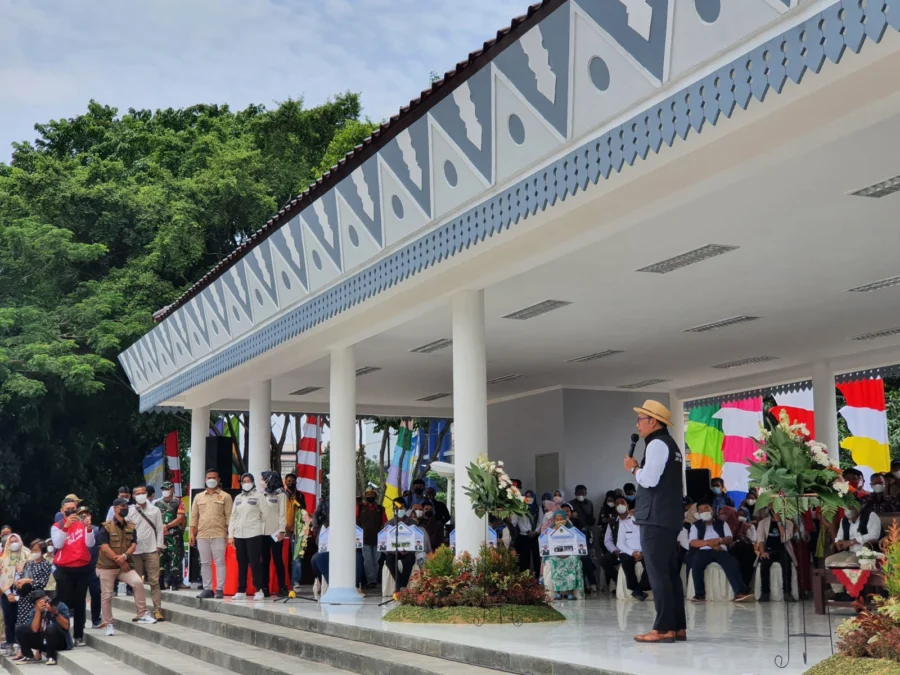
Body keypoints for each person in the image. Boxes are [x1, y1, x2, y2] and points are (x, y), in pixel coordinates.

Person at [624, 400, 687, 644]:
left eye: (641, 419)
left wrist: (633, 469)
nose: (638, 424)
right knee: (670, 574)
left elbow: (649, 480)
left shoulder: (657, 444)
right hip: (668, 517)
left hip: (655, 517)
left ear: (652, 421)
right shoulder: (671, 445)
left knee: (658, 573)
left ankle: (662, 629)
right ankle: (676, 627)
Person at [97, 498, 155, 636]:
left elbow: (134, 544)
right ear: (115, 508)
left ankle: (142, 613)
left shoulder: (131, 526)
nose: (125, 508)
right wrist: (120, 560)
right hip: (107, 566)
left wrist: (124, 556)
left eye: (126, 506)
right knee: (107, 595)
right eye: (122, 506)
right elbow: (104, 547)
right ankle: (109, 623)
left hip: (124, 565)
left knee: (138, 582)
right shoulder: (106, 526)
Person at [50, 498, 95, 646]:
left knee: (80, 603)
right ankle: (62, 635)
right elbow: (57, 544)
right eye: (68, 509)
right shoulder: (57, 525)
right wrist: (66, 527)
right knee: (64, 604)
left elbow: (90, 543)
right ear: (62, 510)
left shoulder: (82, 523)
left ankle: (79, 635)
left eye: (74, 509)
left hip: (82, 568)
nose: (71, 511)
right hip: (65, 569)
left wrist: (88, 529)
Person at [688, 503, 754, 603]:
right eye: (700, 510)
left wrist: (719, 540)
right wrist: (709, 543)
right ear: (698, 513)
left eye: (706, 508)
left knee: (731, 563)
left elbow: (729, 539)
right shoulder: (695, 525)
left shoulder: (722, 523)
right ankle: (699, 594)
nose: (704, 511)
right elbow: (692, 542)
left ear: (712, 510)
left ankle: (740, 592)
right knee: (696, 563)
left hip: (720, 549)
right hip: (703, 550)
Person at [190, 469, 233, 600]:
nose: (211, 479)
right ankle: (207, 588)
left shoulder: (225, 496)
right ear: (205, 479)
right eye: (209, 477)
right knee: (205, 563)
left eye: (214, 477)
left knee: (220, 562)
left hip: (219, 534)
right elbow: (194, 517)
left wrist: (230, 535)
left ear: (218, 479)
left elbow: (229, 518)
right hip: (202, 534)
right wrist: (192, 533)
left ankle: (219, 589)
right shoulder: (198, 497)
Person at [826, 503, 882, 597]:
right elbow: (839, 536)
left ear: (858, 507)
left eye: (851, 507)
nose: (848, 509)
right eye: (846, 507)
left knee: (850, 562)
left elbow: (874, 535)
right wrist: (838, 542)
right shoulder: (844, 520)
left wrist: (852, 541)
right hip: (850, 552)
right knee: (829, 561)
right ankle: (839, 593)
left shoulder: (871, 516)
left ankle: (851, 593)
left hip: (868, 552)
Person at [126, 485, 165, 621]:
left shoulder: (155, 510)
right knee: (137, 583)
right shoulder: (130, 511)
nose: (141, 495)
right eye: (138, 493)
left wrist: (159, 546)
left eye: (143, 492)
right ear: (133, 496)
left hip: (152, 549)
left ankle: (157, 610)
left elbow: (160, 529)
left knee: (154, 581)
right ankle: (140, 611)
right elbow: (126, 530)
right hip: (135, 551)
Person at [602, 497, 650, 600]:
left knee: (651, 561)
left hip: (643, 551)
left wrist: (641, 553)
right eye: (617, 503)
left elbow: (648, 539)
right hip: (623, 551)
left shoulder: (643, 522)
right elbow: (609, 540)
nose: (620, 505)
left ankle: (639, 589)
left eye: (622, 503)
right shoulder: (614, 522)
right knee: (620, 561)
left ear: (627, 505)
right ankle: (619, 582)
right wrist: (618, 551)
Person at [229, 473, 267, 601]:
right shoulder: (238, 498)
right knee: (242, 562)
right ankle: (241, 590)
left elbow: (264, 515)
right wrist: (231, 535)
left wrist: (259, 530)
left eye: (248, 480)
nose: (246, 483)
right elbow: (233, 517)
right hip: (239, 534)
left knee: (255, 562)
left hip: (254, 534)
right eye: (244, 481)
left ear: (253, 482)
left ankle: (259, 590)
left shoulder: (259, 496)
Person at [15, 591, 71, 666]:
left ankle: (51, 656)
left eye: (44, 600)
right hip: (44, 641)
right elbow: (34, 630)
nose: (43, 603)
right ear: (35, 605)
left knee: (50, 628)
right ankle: (28, 655)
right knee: (20, 629)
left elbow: (66, 626)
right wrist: (38, 611)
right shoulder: (34, 611)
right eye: (39, 602)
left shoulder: (59, 606)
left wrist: (55, 613)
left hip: (60, 641)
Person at [754, 507, 797, 601]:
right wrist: (762, 552)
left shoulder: (788, 523)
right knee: (764, 563)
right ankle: (765, 593)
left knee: (786, 562)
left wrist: (779, 522)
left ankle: (787, 592)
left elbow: (785, 537)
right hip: (768, 550)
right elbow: (760, 540)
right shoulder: (763, 523)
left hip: (783, 550)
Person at [259, 471, 288, 597]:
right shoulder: (261, 494)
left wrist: (282, 530)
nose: (262, 481)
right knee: (264, 560)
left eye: (263, 479)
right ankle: (264, 587)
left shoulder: (281, 494)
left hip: (275, 532)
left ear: (270, 479)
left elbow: (282, 514)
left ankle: (282, 586)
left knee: (277, 559)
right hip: (262, 532)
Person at [543, 510, 584, 600]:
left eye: (561, 519)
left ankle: (570, 592)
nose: (559, 521)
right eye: (557, 519)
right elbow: (545, 546)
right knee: (553, 561)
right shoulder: (549, 531)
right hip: (555, 555)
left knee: (573, 560)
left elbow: (576, 545)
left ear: (565, 519)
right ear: (554, 520)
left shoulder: (572, 530)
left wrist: (567, 554)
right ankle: (557, 592)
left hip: (569, 555)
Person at [157, 481, 187, 591]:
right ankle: (163, 582)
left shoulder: (178, 502)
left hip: (174, 535)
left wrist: (168, 526)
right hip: (161, 535)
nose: (165, 491)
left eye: (167, 489)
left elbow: (181, 518)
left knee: (175, 558)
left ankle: (176, 583)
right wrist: (161, 528)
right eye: (163, 489)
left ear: (172, 489)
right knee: (162, 559)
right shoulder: (158, 504)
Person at [76, 506, 102, 629]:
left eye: (86, 515)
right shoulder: (75, 531)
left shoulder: (97, 530)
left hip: (93, 566)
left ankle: (96, 619)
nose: (84, 517)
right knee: (80, 595)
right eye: (81, 515)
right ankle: (81, 621)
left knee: (96, 592)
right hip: (79, 566)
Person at [384, 498, 416, 592]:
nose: (400, 510)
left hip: (408, 552)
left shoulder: (412, 523)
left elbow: (417, 540)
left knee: (410, 560)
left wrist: (408, 550)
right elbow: (384, 543)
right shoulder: (389, 524)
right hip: (394, 553)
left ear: (405, 508)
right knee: (389, 560)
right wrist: (394, 551)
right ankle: (401, 587)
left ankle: (400, 587)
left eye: (401, 507)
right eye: (397, 507)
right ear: (393, 509)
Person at [0, 534, 26, 650]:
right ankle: (10, 642)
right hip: (7, 593)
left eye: (16, 541)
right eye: (11, 542)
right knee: (9, 619)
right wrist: (8, 593)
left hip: (23, 592)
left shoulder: (27, 556)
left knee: (21, 618)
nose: (14, 543)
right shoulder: (3, 559)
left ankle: (22, 642)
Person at [357, 488, 386, 587]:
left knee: (376, 561)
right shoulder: (360, 508)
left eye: (372, 494)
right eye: (368, 494)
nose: (370, 496)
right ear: (365, 496)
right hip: (364, 538)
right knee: (367, 560)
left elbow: (384, 523)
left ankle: (374, 579)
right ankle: (370, 580)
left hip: (378, 538)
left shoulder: (381, 508)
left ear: (375, 495)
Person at [512, 490, 541, 576]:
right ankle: (524, 577)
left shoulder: (538, 508)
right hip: (524, 536)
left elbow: (541, 522)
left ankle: (536, 577)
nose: (529, 498)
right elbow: (519, 522)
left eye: (531, 496)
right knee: (524, 559)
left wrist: (535, 531)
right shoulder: (520, 508)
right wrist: (527, 531)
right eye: (527, 496)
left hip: (535, 536)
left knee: (536, 558)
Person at [291, 493, 312, 588]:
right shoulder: (288, 510)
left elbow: (307, 525)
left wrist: (303, 538)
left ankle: (295, 580)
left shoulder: (303, 512)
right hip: (288, 536)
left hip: (298, 537)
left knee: (296, 559)